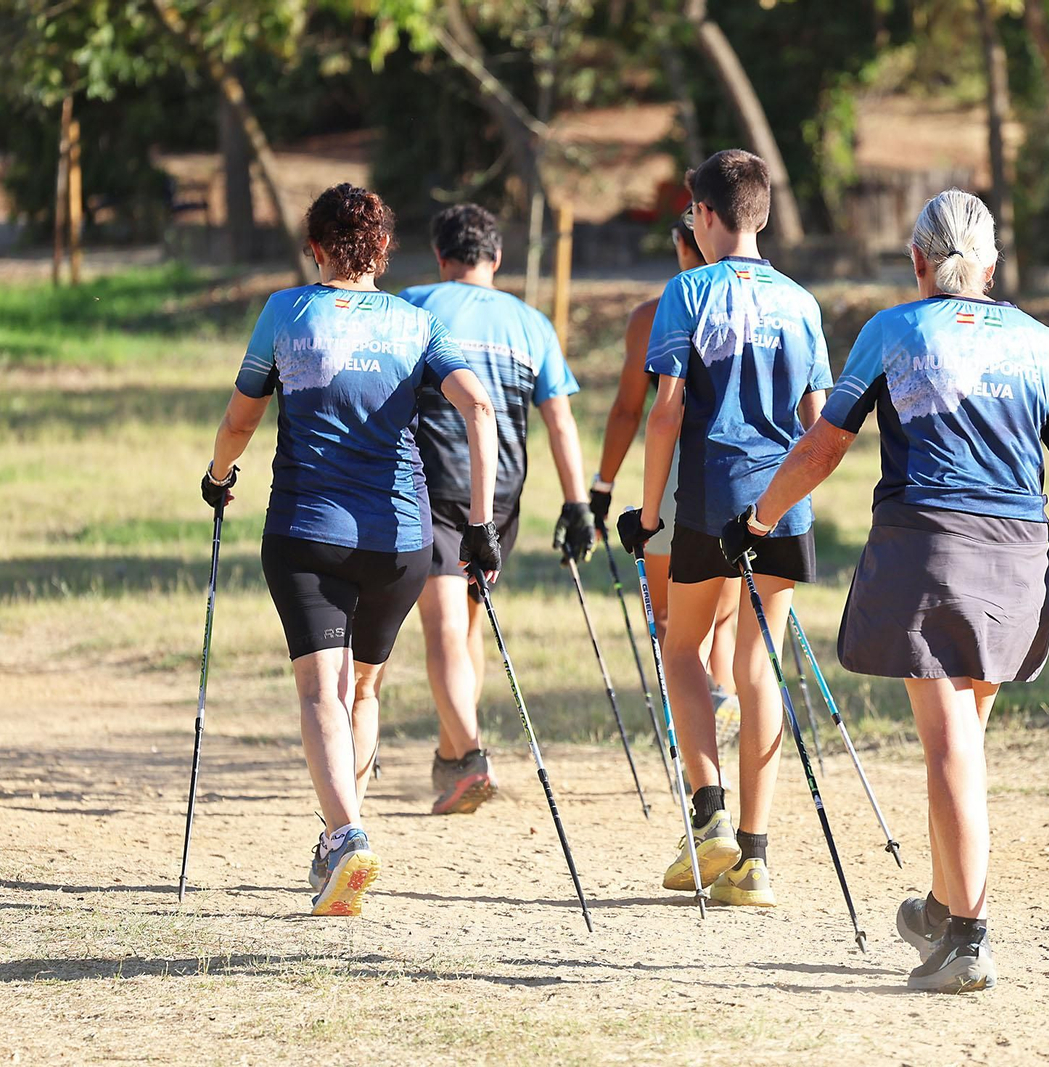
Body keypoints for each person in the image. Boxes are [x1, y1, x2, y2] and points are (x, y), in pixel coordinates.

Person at [722, 189, 1049, 992]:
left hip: (926, 550)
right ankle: (942, 903)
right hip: (1019, 559)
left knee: (948, 745)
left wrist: (757, 519)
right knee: (963, 736)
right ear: (992, 267)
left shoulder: (893, 330)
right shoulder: (1040, 342)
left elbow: (825, 444)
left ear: (916, 262)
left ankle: (969, 935)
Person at [203, 183, 501, 916]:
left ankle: (345, 836)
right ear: (383, 249)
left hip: (307, 532)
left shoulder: (286, 312)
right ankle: (342, 837)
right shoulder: (416, 323)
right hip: (401, 541)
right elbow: (478, 405)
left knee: (319, 691)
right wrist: (480, 523)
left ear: (315, 248)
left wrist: (218, 476)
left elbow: (241, 420)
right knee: (360, 689)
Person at [616, 149, 832, 908]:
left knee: (681, 645)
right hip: (785, 502)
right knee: (759, 664)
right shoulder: (801, 302)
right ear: (761, 214)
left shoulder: (688, 291)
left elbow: (666, 411)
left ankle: (707, 813)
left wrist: (649, 516)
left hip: (710, 495)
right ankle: (756, 856)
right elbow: (818, 425)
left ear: (704, 215)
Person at [399, 203, 593, 815]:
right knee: (468, 626)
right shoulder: (532, 322)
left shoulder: (413, 306)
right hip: (501, 493)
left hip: (432, 485)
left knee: (443, 628)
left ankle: (470, 758)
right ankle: (451, 753)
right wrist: (577, 504)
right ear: (497, 258)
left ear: (441, 256)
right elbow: (559, 421)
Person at [591, 211, 739, 737]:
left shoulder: (653, 314)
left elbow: (630, 411)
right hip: (747, 473)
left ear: (683, 244)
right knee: (723, 616)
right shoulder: (755, 304)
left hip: (677, 475)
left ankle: (697, 723)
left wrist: (603, 486)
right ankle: (721, 703)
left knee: (672, 622)